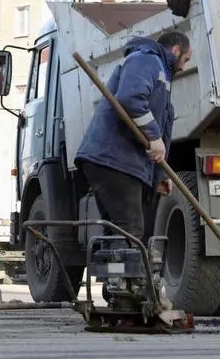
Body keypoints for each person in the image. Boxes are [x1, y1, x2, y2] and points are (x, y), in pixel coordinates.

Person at [74, 30, 193, 241]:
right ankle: (129, 274)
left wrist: (160, 175)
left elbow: (161, 134)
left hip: (116, 161)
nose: (184, 66)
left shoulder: (162, 79)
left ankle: (116, 272)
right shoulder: (147, 59)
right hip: (114, 160)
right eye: (185, 59)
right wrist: (154, 137)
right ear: (175, 50)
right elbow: (130, 99)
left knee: (119, 233)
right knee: (130, 231)